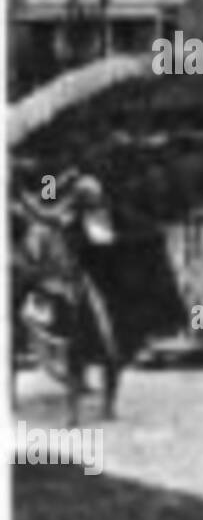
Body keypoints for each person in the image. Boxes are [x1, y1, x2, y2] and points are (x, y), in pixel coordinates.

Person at [14, 171, 122, 423]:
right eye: (89, 199)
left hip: (94, 285)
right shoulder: (72, 218)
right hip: (78, 285)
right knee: (81, 349)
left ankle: (105, 406)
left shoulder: (95, 220)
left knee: (108, 350)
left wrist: (23, 196)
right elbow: (45, 215)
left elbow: (46, 215)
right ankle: (78, 412)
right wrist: (23, 195)